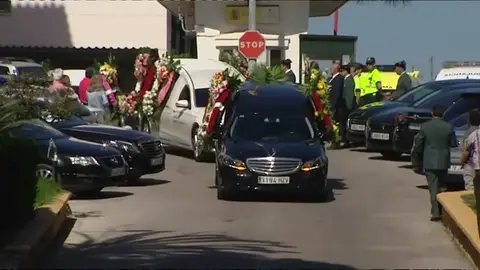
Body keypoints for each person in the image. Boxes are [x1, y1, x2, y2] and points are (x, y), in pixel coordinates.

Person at [411, 104, 456, 222]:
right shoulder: (449, 126)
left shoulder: (425, 126)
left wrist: (417, 156)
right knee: (441, 185)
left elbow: (419, 143)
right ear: (443, 114)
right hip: (443, 160)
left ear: (432, 113)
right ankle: (442, 210)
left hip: (430, 160)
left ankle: (436, 212)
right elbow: (453, 143)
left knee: (433, 187)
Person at [460, 109, 480, 190]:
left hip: (471, 164)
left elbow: (466, 152)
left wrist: (462, 162)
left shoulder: (470, 133)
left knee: (470, 187)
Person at [328, 62, 345, 149]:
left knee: (335, 125)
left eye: (332, 68)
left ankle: (336, 142)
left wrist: (333, 106)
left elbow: (336, 94)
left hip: (336, 107)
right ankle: (334, 141)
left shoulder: (338, 79)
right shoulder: (332, 79)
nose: (330, 70)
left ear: (336, 69)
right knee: (333, 125)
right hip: (333, 105)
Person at [341, 64, 355, 147]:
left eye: (342, 71)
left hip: (347, 106)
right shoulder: (345, 80)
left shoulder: (349, 80)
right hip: (345, 105)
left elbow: (349, 95)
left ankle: (346, 141)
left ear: (346, 71)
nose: (341, 73)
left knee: (345, 123)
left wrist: (349, 106)